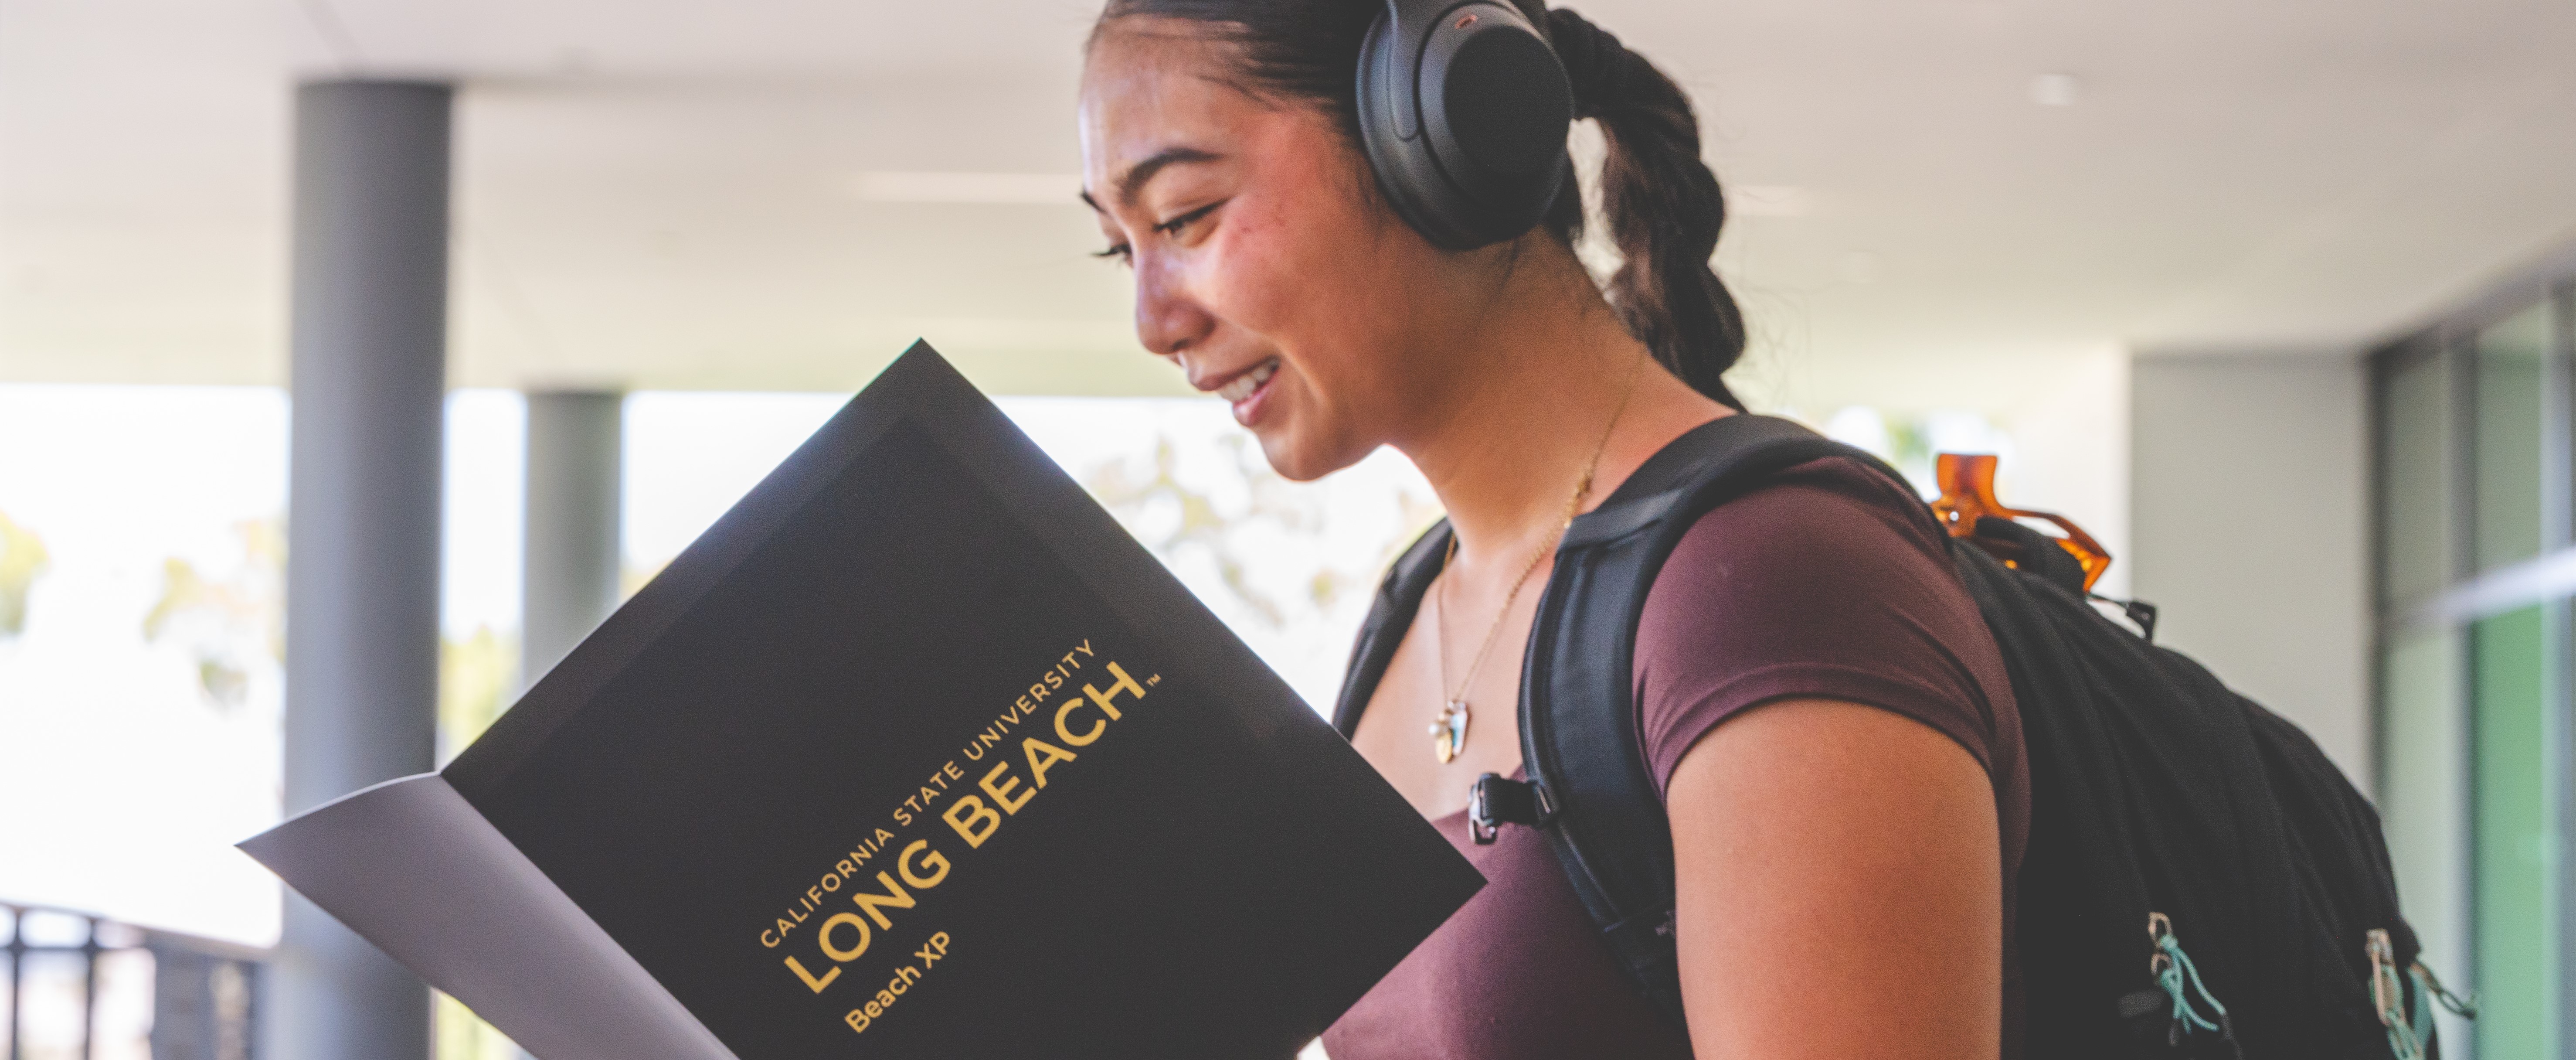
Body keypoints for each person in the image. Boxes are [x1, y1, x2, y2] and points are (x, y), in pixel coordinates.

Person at [1077, 2, 2027, 1057]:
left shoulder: (1766, 583)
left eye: (1184, 216)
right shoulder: (1411, 615)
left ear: (1432, 134)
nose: (1155, 322)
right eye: (1119, 251)